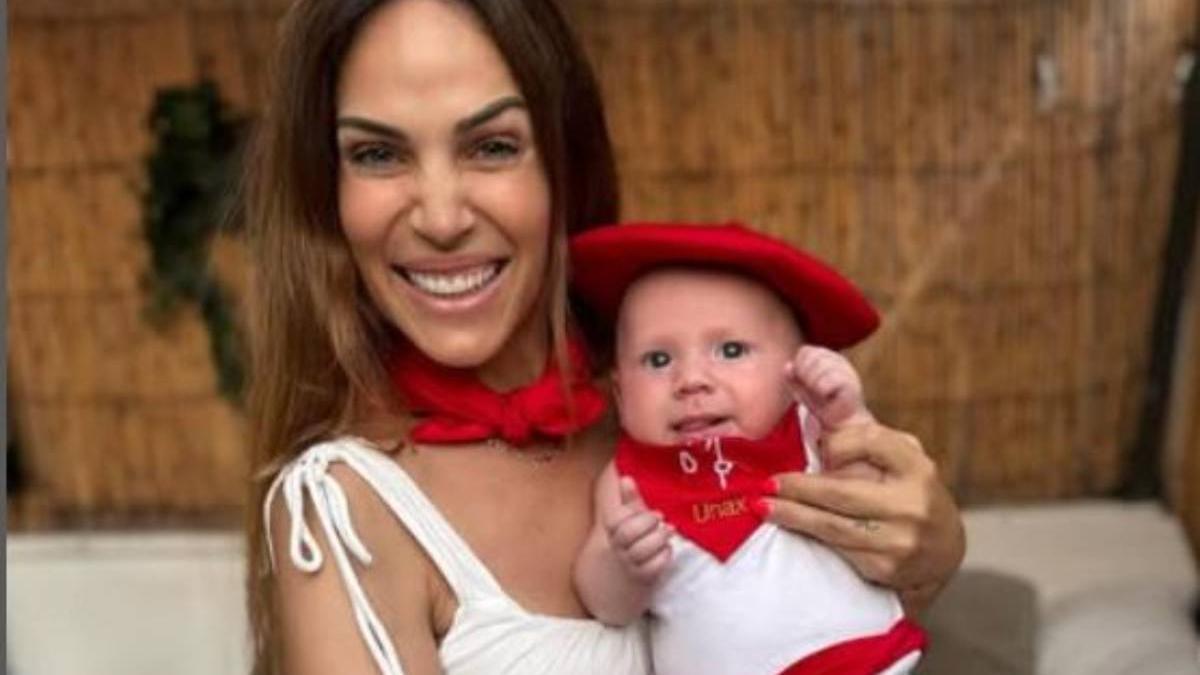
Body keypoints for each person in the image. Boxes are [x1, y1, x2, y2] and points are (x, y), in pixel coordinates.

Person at [239, 1, 966, 674]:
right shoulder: (346, 510)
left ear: (566, 163)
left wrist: (931, 550)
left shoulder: (675, 402)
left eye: (492, 145)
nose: (440, 217)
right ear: (326, 193)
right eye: (377, 154)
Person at [570, 222, 926, 675]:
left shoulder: (812, 429)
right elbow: (606, 606)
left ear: (795, 370)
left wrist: (848, 416)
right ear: (621, 396)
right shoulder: (627, 481)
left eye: (731, 351)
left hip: (859, 661)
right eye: (658, 360)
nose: (691, 380)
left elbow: (876, 509)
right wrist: (622, 567)